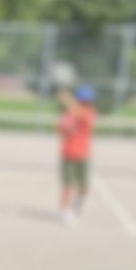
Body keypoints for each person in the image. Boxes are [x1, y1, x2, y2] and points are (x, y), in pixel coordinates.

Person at [56, 84, 98, 225]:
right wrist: (67, 125)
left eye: (87, 101)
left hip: (84, 155)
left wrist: (68, 101)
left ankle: (78, 202)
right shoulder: (68, 114)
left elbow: (84, 117)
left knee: (84, 185)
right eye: (82, 100)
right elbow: (62, 130)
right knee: (67, 185)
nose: (85, 103)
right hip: (68, 154)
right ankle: (64, 211)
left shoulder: (89, 112)